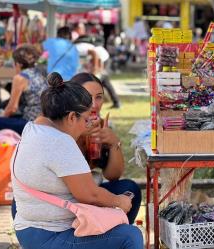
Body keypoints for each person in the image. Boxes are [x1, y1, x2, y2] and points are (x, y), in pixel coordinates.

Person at [11, 72, 143, 249]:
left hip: (30, 228)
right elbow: (89, 194)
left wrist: (113, 143)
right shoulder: (60, 141)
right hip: (49, 234)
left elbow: (111, 176)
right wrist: (120, 201)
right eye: (86, 118)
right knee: (130, 235)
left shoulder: (34, 128)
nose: (88, 124)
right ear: (72, 117)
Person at [70, 72, 141, 223]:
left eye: (99, 97)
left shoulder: (101, 125)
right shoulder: (64, 124)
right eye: (87, 97)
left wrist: (114, 143)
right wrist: (78, 135)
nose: (94, 104)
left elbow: (112, 176)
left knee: (130, 189)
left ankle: (115, 237)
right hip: (62, 196)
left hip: (88, 191)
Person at [0, 45, 47, 135]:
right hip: (44, 120)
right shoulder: (40, 72)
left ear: (18, 64)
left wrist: (0, 116)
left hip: (31, 122)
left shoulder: (20, 78)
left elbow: (12, 108)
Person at [74, 36, 121, 108]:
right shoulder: (84, 47)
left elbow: (95, 55)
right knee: (104, 81)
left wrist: (95, 69)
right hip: (100, 60)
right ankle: (116, 102)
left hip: (102, 60)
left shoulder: (77, 47)